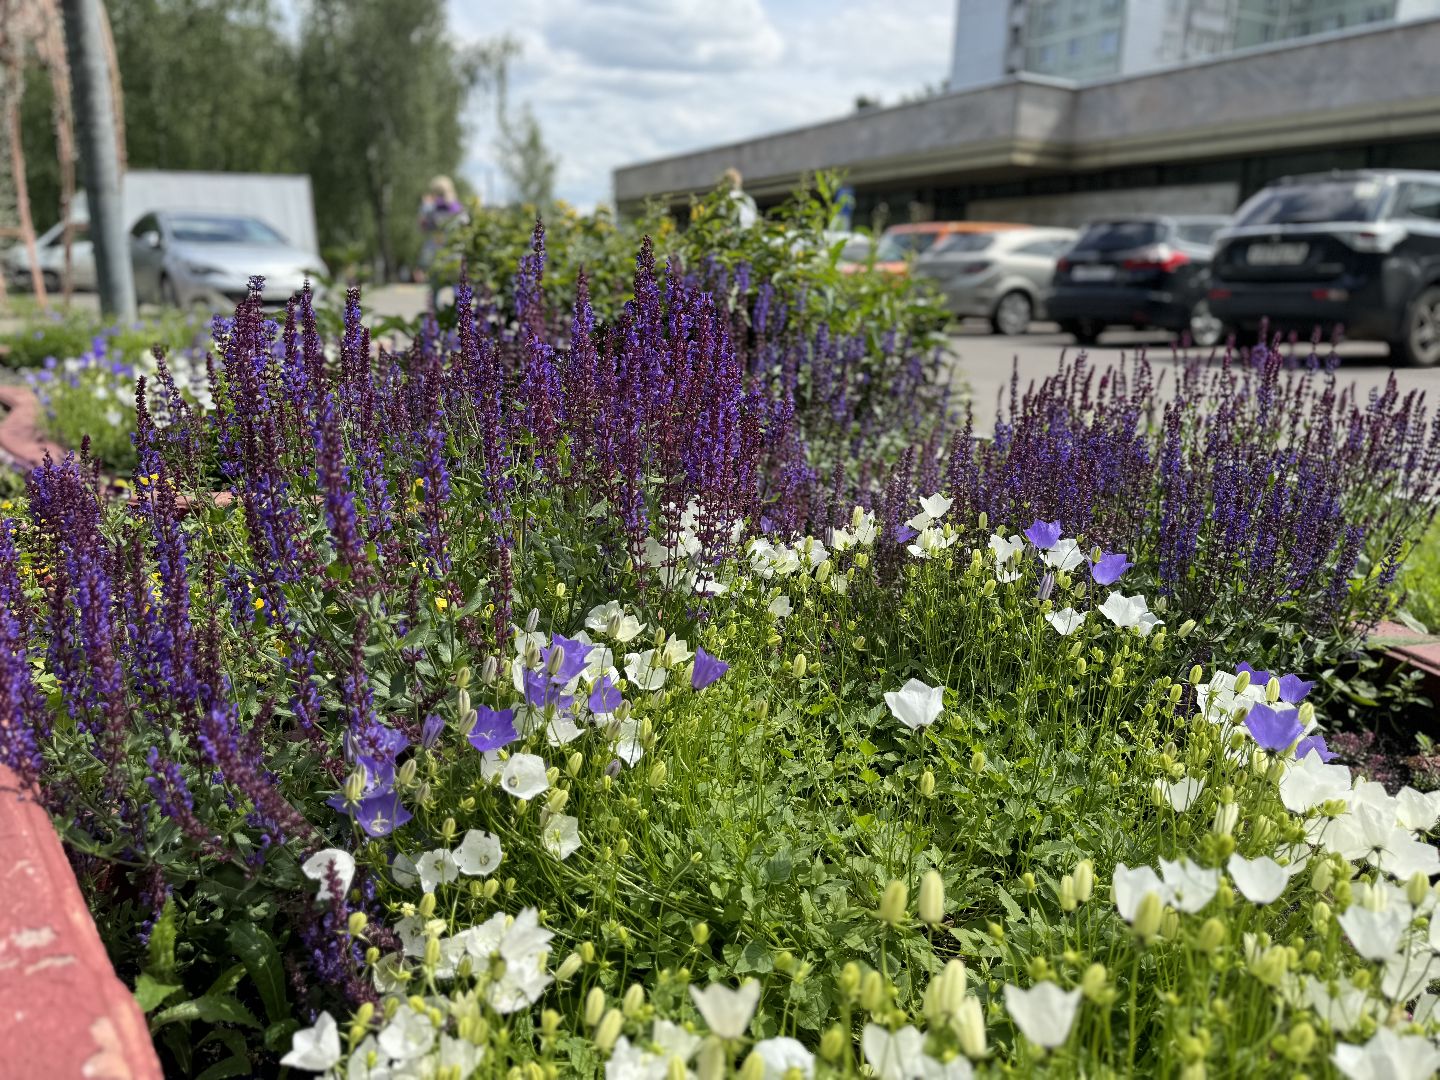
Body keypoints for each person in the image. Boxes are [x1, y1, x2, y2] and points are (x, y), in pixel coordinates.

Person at [416, 176, 468, 287]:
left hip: (437, 253)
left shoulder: (431, 208)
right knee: (458, 284)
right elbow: (465, 226)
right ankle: (458, 303)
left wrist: (424, 206)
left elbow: (423, 227)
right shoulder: (457, 207)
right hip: (454, 252)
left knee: (435, 284)